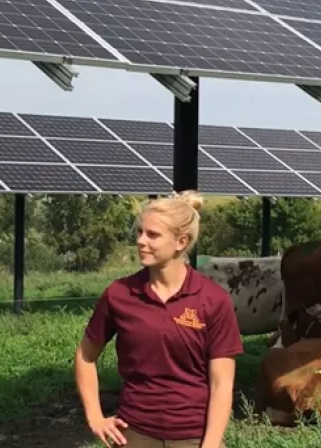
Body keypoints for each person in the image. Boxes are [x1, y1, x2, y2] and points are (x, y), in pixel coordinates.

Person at [74, 190, 243, 448]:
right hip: (135, 433)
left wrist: (210, 445)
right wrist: (95, 417)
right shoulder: (119, 294)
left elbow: (222, 382)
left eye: (152, 235)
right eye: (139, 232)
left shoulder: (213, 299)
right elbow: (86, 355)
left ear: (181, 242)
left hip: (195, 437)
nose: (141, 241)